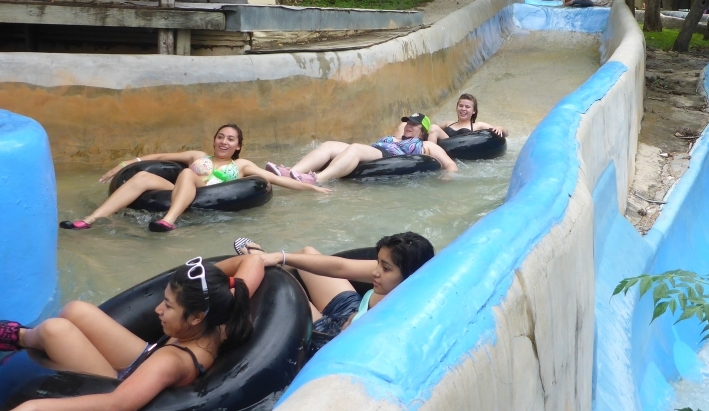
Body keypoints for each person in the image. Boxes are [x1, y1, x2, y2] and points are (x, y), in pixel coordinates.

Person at [0, 254, 262, 411]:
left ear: (195, 317)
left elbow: (114, 407)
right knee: (76, 310)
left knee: (56, 331)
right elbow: (252, 261)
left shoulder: (172, 361)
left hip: (116, 383)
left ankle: (20, 337)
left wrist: (31, 407)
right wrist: (269, 257)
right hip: (144, 358)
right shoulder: (218, 318)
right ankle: (25, 337)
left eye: (168, 306)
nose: (158, 309)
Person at [60, 124, 329, 233]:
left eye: (230, 139)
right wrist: (128, 162)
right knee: (143, 178)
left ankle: (169, 220)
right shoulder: (197, 156)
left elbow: (278, 181)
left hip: (210, 193)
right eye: (220, 137)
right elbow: (159, 156)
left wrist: (312, 190)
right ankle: (91, 220)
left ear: (238, 146)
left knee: (189, 173)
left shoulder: (243, 165)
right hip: (182, 187)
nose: (223, 142)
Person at [234, 232, 434, 343]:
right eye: (378, 263)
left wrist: (353, 325)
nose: (376, 272)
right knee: (308, 252)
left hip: (331, 340)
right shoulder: (387, 276)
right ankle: (267, 258)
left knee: (282, 285)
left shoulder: (402, 310)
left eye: (386, 268)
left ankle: (257, 263)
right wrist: (281, 256)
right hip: (353, 311)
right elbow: (341, 267)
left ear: (410, 276)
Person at [264, 114, 457, 184]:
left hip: (388, 157)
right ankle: (292, 172)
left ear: (422, 131)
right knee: (329, 145)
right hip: (376, 149)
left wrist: (446, 178)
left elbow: (449, 164)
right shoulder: (394, 137)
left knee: (355, 148)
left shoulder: (425, 145)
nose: (408, 125)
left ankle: (317, 179)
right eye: (407, 122)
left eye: (414, 124)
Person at [427, 93, 508, 143]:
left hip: (462, 151)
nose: (463, 109)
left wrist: (500, 128)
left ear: (474, 111)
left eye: (467, 107)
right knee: (433, 127)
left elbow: (505, 133)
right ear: (457, 107)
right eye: (461, 106)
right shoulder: (449, 123)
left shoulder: (478, 125)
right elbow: (430, 130)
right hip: (445, 149)